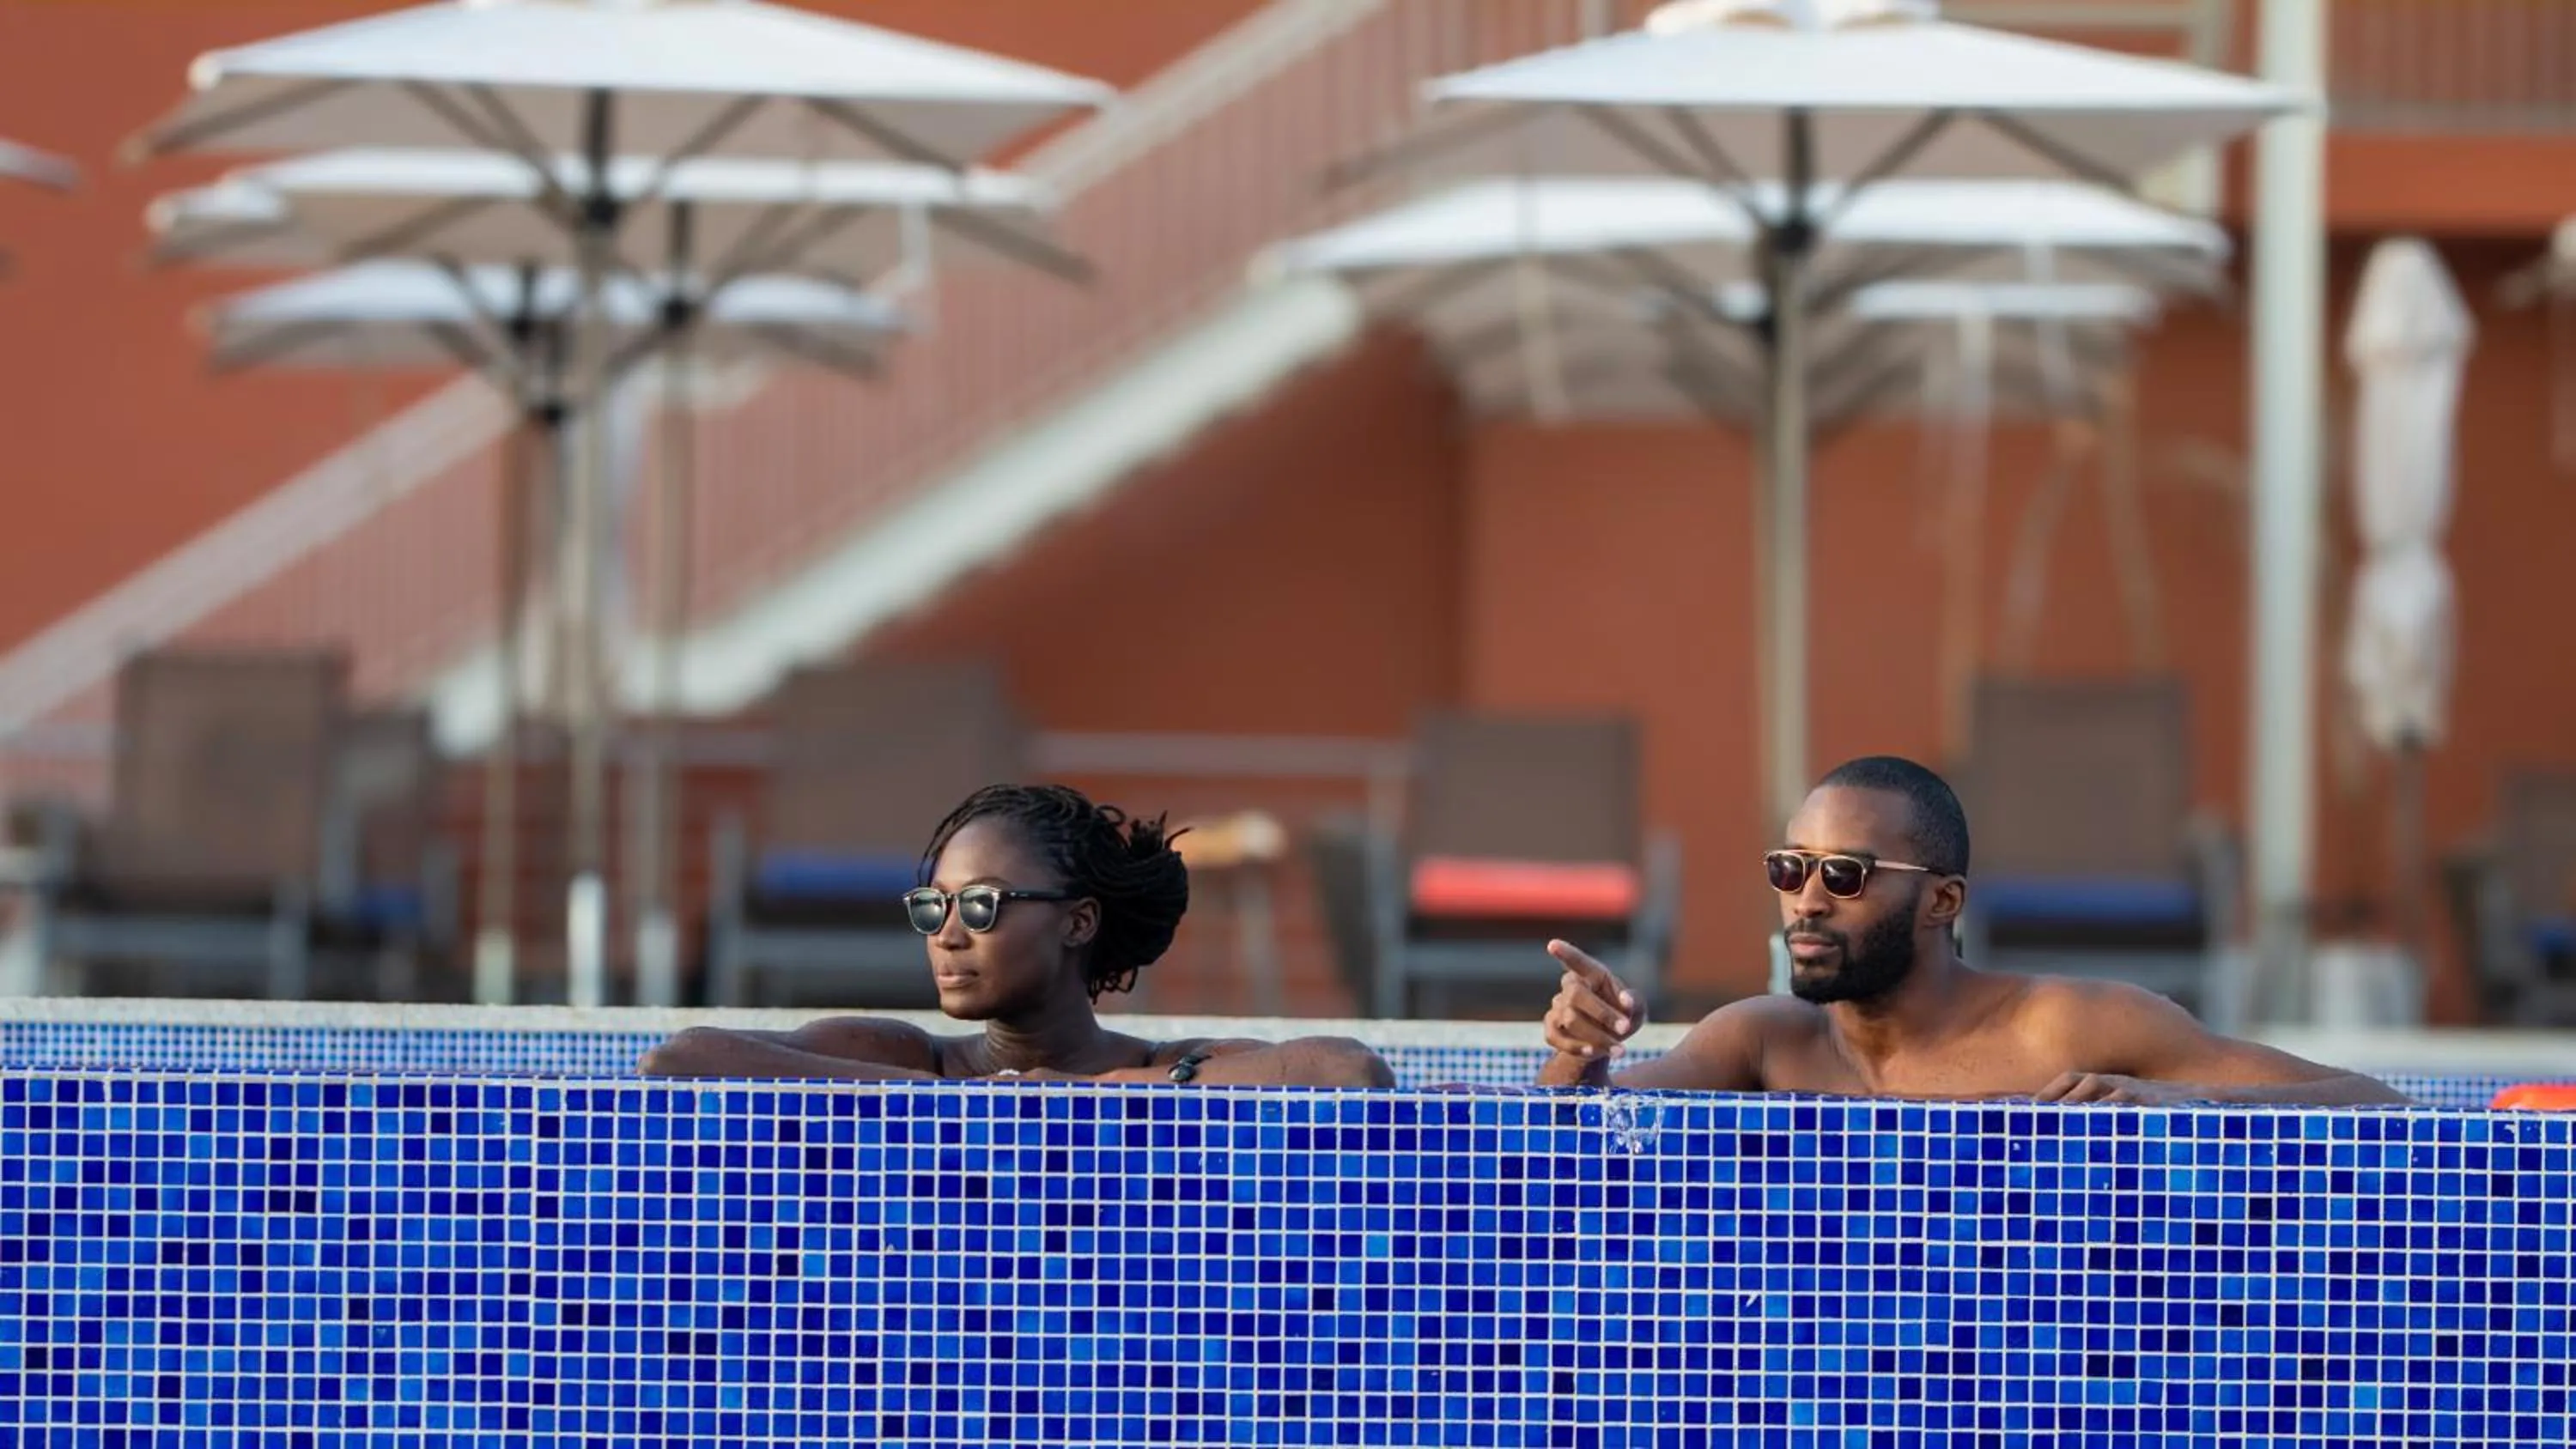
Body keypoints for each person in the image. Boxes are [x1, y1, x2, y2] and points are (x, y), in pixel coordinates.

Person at [1538, 755, 2409, 1105]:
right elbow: (1556, 1150)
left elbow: (2379, 1102)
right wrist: (1583, 1054)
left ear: (1944, 901)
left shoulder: (2065, 1030)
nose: (1806, 900)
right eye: (1789, 868)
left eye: (1845, 874)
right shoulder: (1765, 1042)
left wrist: (2184, 1100)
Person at [642, 782, 1394, 1087]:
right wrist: (976, 1102)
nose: (948, 936)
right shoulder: (914, 1058)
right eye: (933, 910)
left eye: (980, 907)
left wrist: (1094, 1094)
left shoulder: (1163, 1066)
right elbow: (680, 1058)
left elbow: (1349, 1071)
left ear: (1078, 920)